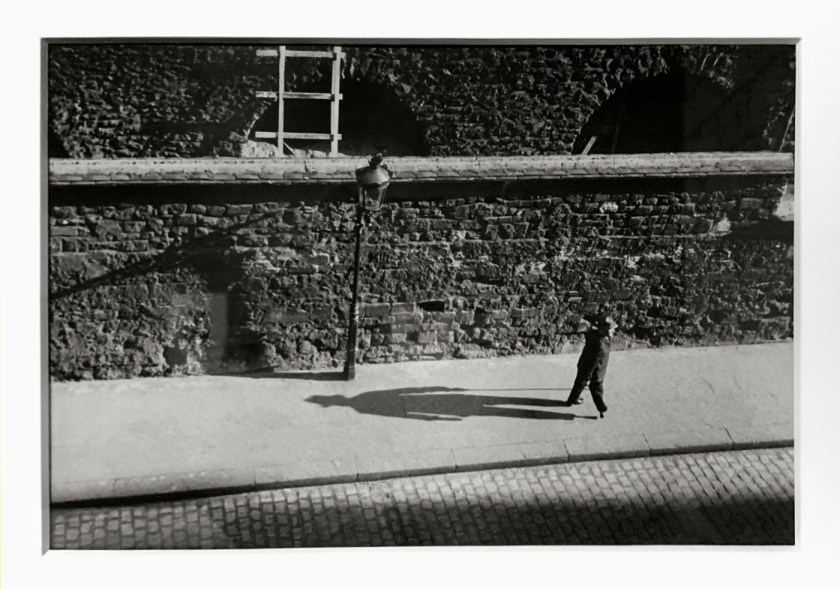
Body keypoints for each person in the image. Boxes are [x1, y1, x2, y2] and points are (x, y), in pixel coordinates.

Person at [565, 315, 617, 418]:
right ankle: (601, 408)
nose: (613, 331)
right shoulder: (600, 346)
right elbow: (593, 363)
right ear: (603, 330)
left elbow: (588, 327)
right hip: (595, 370)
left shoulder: (593, 333)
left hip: (584, 363)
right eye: (610, 330)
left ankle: (572, 400)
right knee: (596, 387)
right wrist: (588, 376)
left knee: (579, 382)